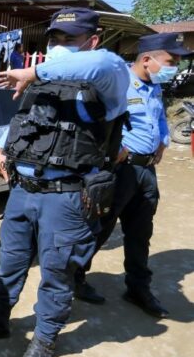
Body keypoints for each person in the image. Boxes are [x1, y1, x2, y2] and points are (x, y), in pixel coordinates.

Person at [0, 8, 129, 357]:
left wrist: (33, 70)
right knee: (9, 264)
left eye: (70, 39)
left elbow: (100, 64)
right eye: (55, 38)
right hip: (22, 192)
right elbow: (27, 121)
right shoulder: (41, 82)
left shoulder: (108, 74)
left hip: (67, 197)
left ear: (92, 40)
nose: (60, 46)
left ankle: (45, 340)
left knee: (56, 273)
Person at [72, 32, 189, 316]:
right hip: (119, 171)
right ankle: (73, 279)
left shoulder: (154, 87)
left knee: (140, 232)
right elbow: (92, 121)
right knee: (98, 229)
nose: (175, 67)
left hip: (146, 170)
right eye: (170, 61)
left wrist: (162, 141)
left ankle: (138, 288)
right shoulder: (117, 83)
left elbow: (159, 116)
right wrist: (115, 148)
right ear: (147, 60)